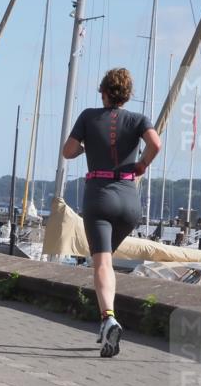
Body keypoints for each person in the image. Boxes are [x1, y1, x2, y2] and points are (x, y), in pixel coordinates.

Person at [61, 68, 160, 358]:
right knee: (106, 262)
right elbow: (155, 144)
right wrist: (142, 164)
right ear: (127, 95)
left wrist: (85, 148)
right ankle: (106, 328)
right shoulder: (138, 119)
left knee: (102, 263)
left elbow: (68, 151)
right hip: (129, 201)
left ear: (104, 92)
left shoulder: (88, 117)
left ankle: (108, 319)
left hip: (100, 196)